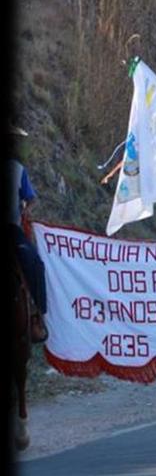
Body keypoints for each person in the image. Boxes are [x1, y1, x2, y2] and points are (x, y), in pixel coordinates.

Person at [8, 125, 48, 343]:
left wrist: (24, 209)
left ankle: (36, 317)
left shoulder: (17, 169)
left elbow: (30, 198)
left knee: (34, 263)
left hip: (11, 229)